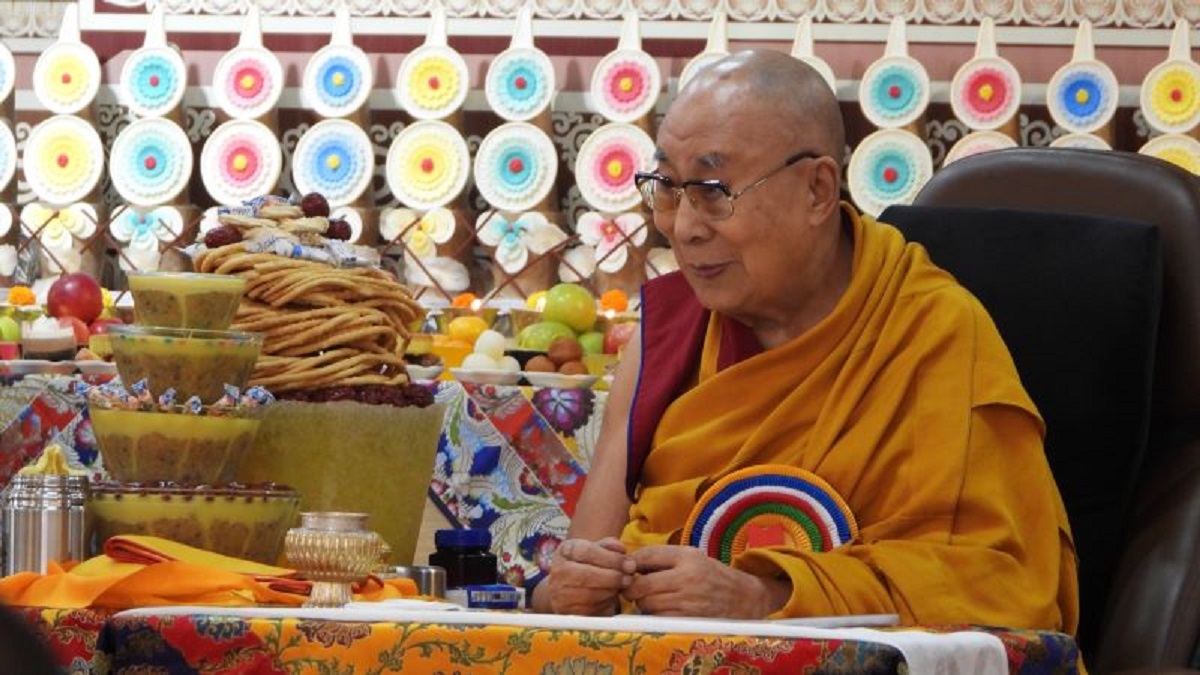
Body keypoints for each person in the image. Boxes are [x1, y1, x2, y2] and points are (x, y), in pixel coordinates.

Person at [529, 49, 1078, 632]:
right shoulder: (668, 335)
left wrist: (766, 598)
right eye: (666, 187)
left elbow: (1003, 583)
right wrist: (567, 592)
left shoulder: (932, 330)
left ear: (817, 190)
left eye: (713, 189)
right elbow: (582, 574)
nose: (683, 227)